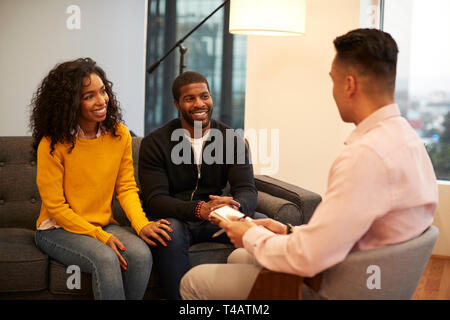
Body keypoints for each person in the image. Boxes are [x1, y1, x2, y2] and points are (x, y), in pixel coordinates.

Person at [180, 28, 439, 300]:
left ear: (349, 85)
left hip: (331, 287)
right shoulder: (408, 140)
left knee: (194, 281)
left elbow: (308, 258)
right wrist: (287, 230)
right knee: (240, 258)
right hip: (368, 278)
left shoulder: (365, 157)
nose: (334, 90)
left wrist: (247, 234)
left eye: (334, 81)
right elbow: (354, 230)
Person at [31, 57, 171, 300]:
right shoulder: (52, 144)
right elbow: (56, 207)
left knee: (140, 254)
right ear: (70, 102)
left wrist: (141, 224)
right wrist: (101, 236)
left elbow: (126, 188)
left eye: (103, 91)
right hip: (56, 229)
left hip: (102, 224)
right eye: (89, 96)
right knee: (106, 258)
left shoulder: (119, 135)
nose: (101, 100)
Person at [138, 71, 260, 299]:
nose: (199, 104)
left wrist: (235, 207)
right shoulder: (156, 143)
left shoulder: (231, 139)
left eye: (204, 96)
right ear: (177, 103)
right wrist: (197, 209)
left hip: (216, 217)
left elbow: (247, 189)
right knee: (169, 232)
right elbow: (155, 200)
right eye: (190, 99)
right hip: (178, 216)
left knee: (263, 226)